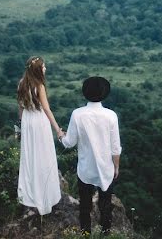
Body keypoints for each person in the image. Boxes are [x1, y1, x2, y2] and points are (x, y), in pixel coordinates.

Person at [60, 76, 122, 234]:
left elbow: (69, 143)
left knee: (84, 207)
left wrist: (60, 135)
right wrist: (116, 166)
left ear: (85, 93)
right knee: (106, 205)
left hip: (85, 169)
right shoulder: (111, 115)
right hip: (105, 168)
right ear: (104, 94)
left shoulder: (77, 114)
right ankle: (105, 233)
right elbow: (115, 148)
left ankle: (85, 234)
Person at [16, 56, 64, 216]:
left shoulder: (21, 83)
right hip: (38, 121)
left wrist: (21, 126)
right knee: (44, 156)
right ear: (37, 69)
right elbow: (47, 109)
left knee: (29, 158)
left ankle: (30, 196)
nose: (45, 69)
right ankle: (45, 196)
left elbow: (20, 108)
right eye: (43, 67)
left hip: (27, 121)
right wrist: (57, 129)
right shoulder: (40, 86)